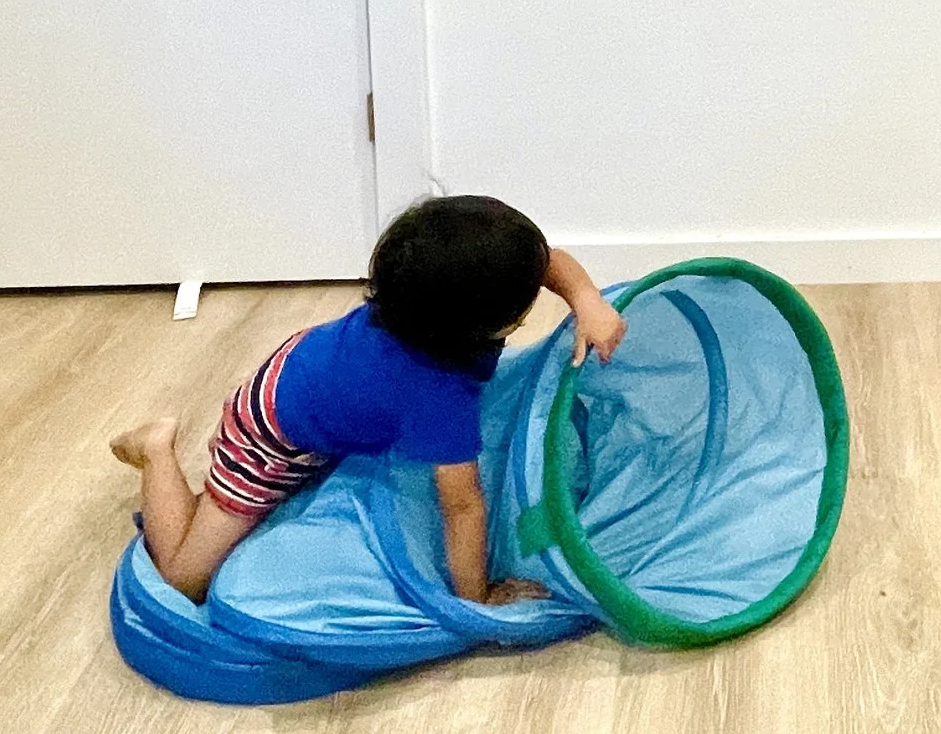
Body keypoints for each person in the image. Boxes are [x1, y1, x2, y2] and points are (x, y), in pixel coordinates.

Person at [110, 194, 626, 604]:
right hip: (267, 437)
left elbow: (550, 261)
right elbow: (462, 505)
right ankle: (156, 447)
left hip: (309, 365)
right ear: (488, 320)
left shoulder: (424, 302)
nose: (545, 277)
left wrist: (588, 301)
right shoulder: (436, 392)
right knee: (181, 578)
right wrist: (479, 596)